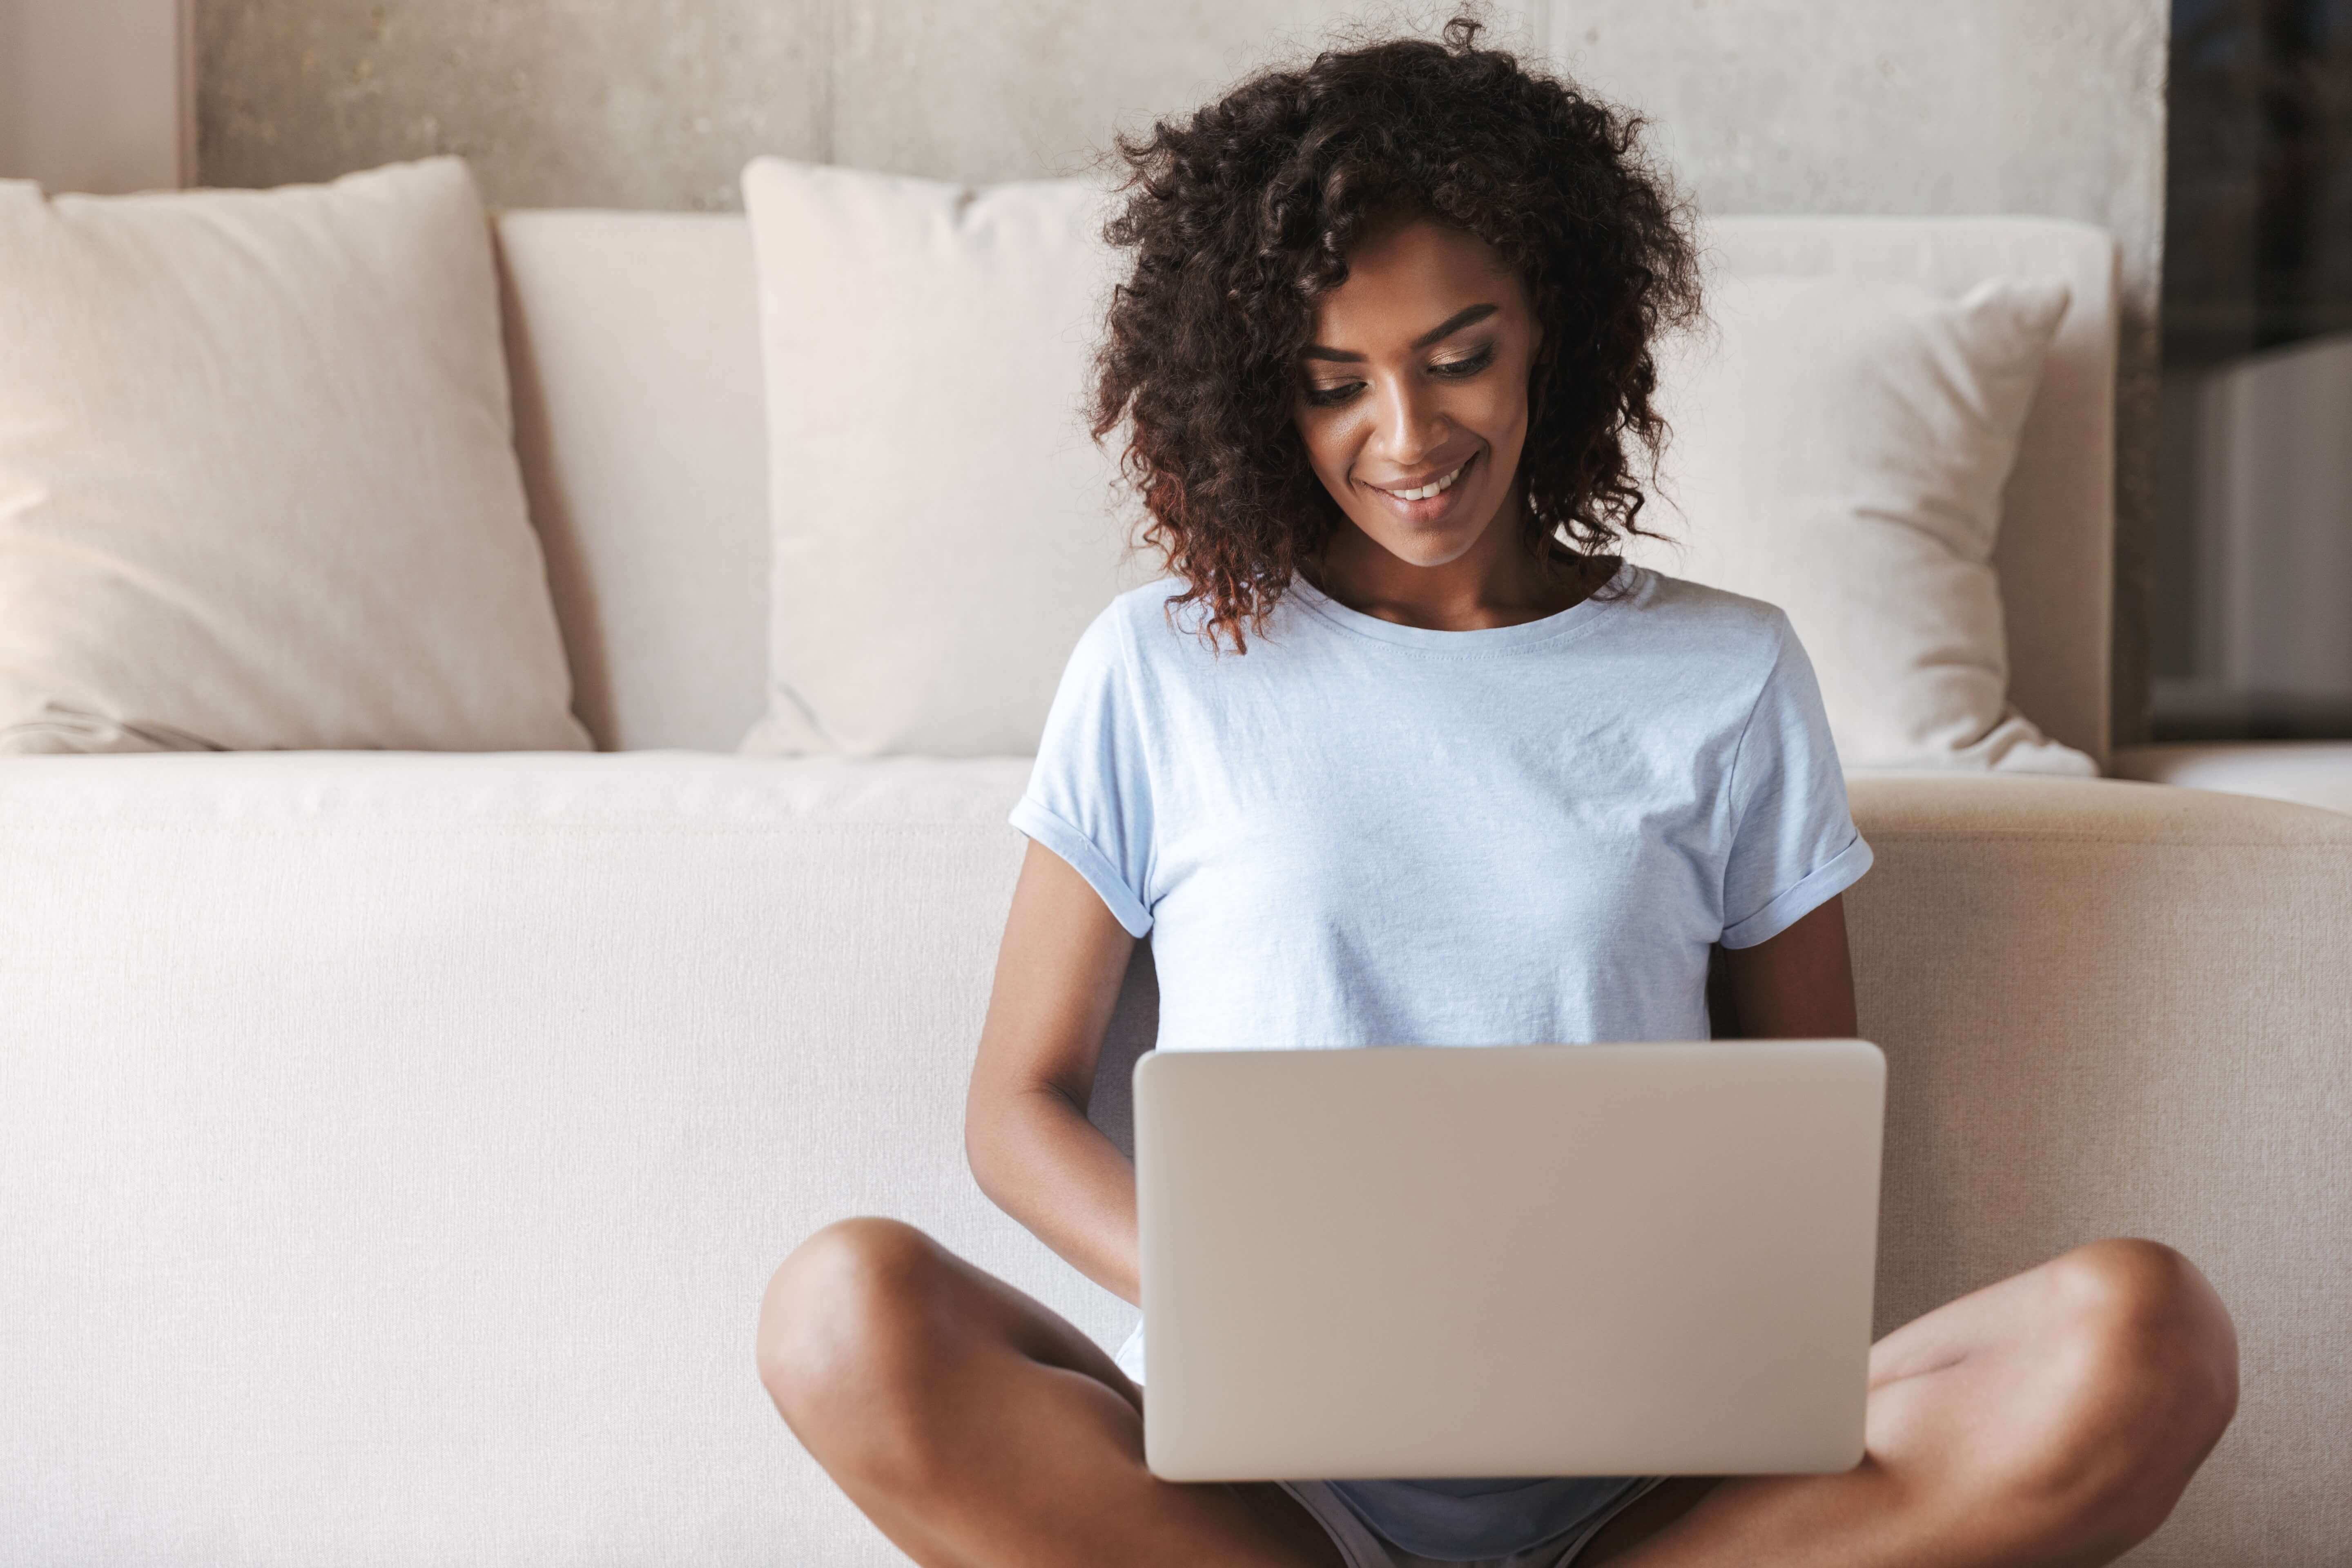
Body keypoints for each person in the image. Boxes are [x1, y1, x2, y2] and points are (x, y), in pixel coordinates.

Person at [754, 19, 2239, 1566]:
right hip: (1252, 1495)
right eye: (1338, 384)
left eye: (1459, 356)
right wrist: (1233, 1294)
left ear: (1556, 328)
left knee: (2150, 1334)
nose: (1407, 439)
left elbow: (1805, 1140)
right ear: (1264, 390)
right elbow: (1014, 1108)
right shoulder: (1160, 669)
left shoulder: (1728, 678)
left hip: (1658, 1498)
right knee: (839, 1315)